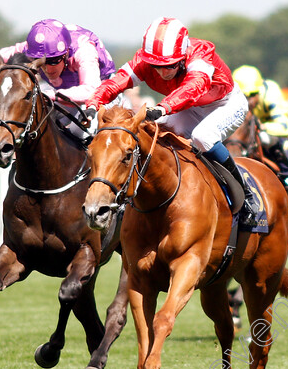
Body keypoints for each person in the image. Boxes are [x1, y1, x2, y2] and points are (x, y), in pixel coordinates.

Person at [85, 16, 260, 226]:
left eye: (169, 66)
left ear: (182, 56)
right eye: (155, 66)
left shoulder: (200, 53)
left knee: (203, 137)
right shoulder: (145, 60)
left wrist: (163, 107)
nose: (162, 72)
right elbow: (116, 83)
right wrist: (93, 103)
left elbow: (194, 86)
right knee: (155, 136)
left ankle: (246, 196)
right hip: (188, 107)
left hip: (224, 105)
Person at [0, 18, 116, 141]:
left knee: (79, 131)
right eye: (41, 62)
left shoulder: (84, 51)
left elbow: (91, 92)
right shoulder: (32, 48)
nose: (48, 69)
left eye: (54, 61)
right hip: (64, 95)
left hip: (103, 94)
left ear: (66, 53)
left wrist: (49, 94)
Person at [231, 65, 288, 190]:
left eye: (252, 95)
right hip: (247, 130)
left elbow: (284, 127)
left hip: (267, 129)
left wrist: (263, 127)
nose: (248, 101)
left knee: (268, 139)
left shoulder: (270, 95)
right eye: (244, 96)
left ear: (259, 91)